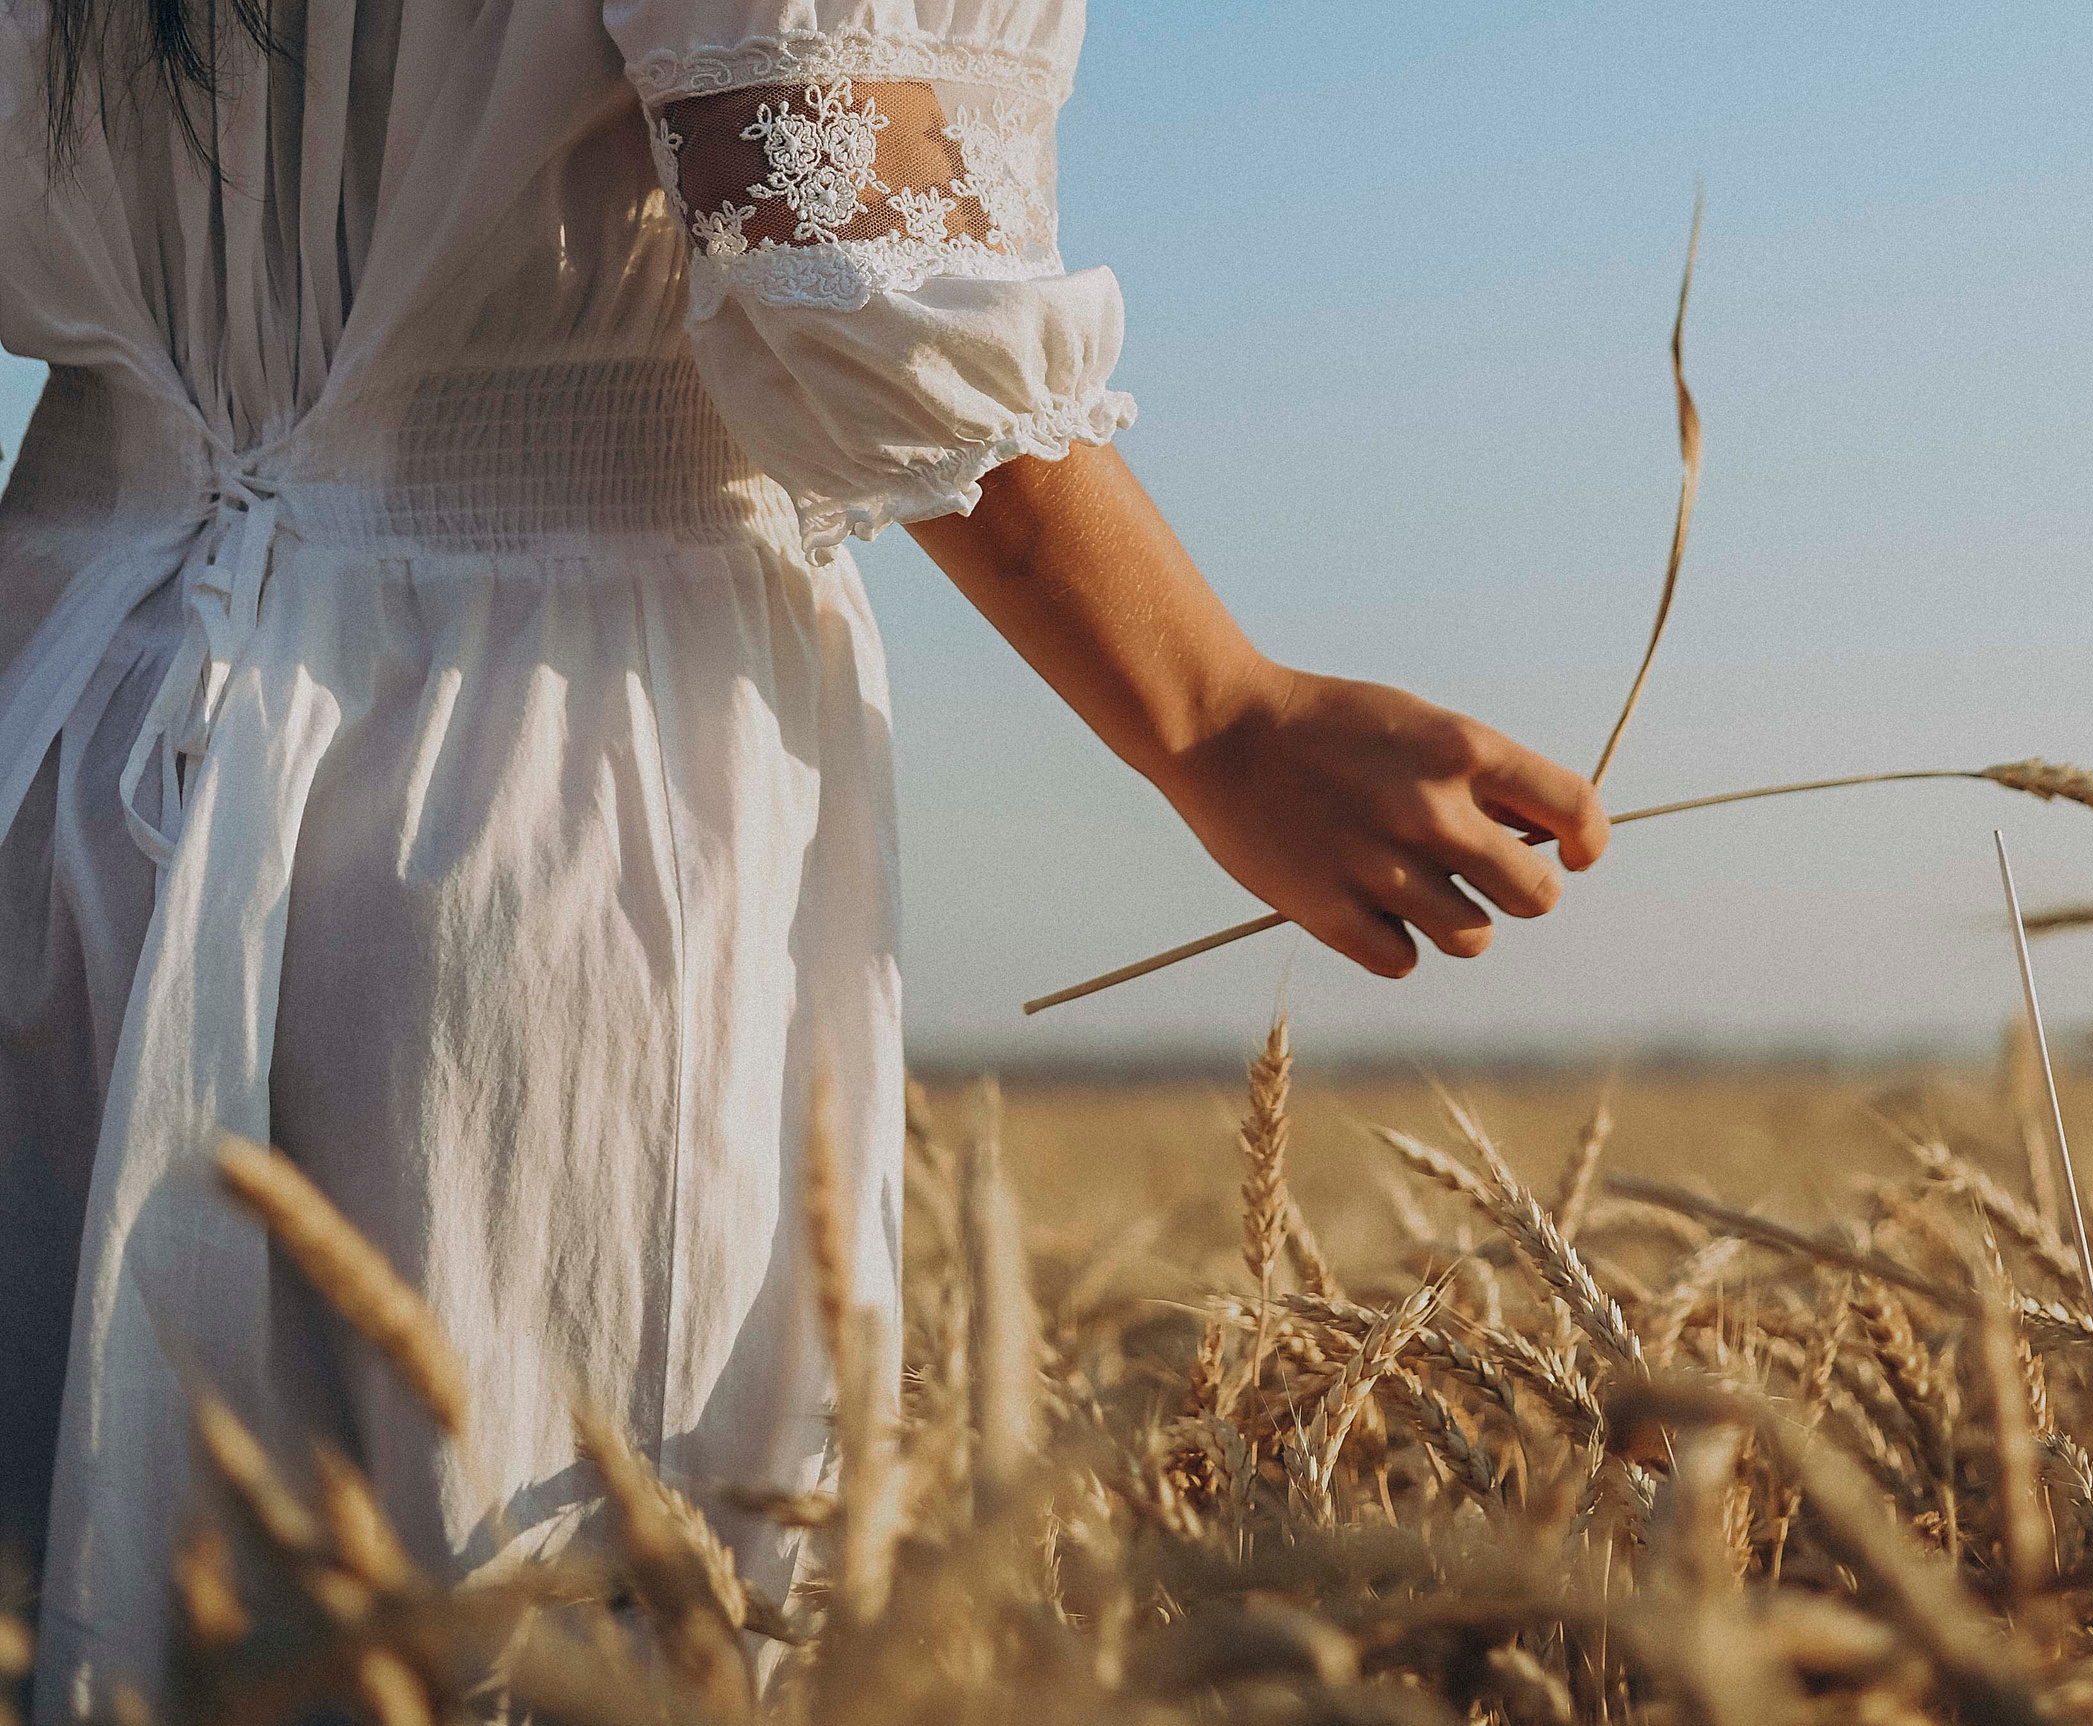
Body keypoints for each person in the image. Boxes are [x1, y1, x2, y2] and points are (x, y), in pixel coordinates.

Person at [0, 0, 1608, 1710]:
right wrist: (1211, 711)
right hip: (531, 773)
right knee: (561, 1631)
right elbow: (833, 218)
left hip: (63, 714)